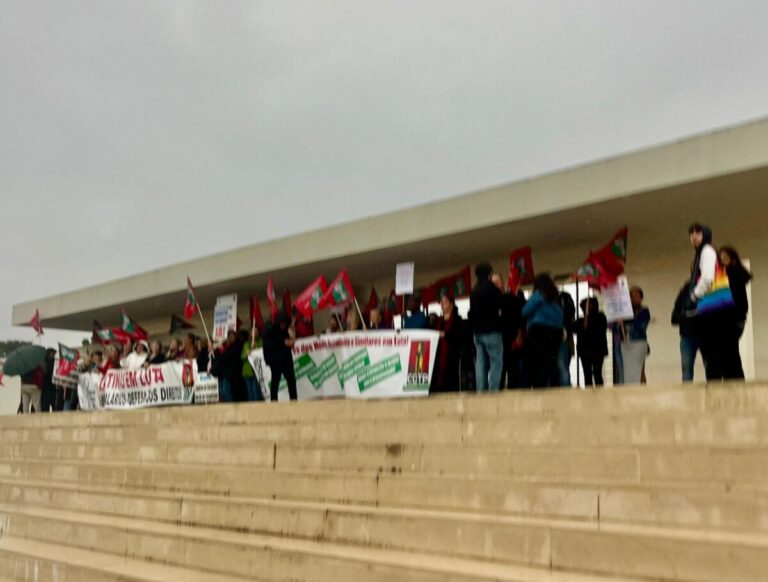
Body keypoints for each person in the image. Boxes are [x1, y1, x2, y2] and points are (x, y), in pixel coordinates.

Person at [688, 223, 730, 381]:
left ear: (705, 234)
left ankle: (716, 391)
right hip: (715, 307)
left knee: (711, 352)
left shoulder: (706, 251)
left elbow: (707, 278)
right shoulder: (703, 252)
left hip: (712, 308)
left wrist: (694, 296)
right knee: (714, 352)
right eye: (691, 234)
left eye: (697, 233)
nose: (693, 237)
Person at [522, 274, 564, 388]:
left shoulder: (538, 295)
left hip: (539, 331)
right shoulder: (556, 298)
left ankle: (540, 389)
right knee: (552, 362)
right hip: (556, 333)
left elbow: (524, 312)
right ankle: (555, 388)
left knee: (538, 364)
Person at [468, 262, 503, 392]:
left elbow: (472, 312)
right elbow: (500, 305)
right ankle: (493, 391)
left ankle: (481, 391)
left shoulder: (474, 291)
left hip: (477, 332)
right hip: (492, 331)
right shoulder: (492, 289)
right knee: (496, 361)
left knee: (480, 363)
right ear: (489, 274)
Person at [720, 245, 752, 379]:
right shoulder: (737, 274)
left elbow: (734, 299)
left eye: (725, 258)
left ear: (732, 260)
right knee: (730, 350)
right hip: (737, 319)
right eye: (721, 258)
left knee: (729, 350)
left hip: (732, 319)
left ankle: (735, 378)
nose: (722, 261)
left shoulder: (731, 275)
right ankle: (734, 378)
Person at [492, 274, 525, 389]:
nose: (496, 284)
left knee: (513, 373)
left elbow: (520, 317)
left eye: (498, 281)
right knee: (498, 374)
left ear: (503, 283)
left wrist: (519, 334)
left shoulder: (512, 298)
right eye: (493, 282)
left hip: (511, 340)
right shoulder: (489, 302)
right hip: (497, 342)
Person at [430, 294, 465, 393]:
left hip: (451, 355)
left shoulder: (457, 320)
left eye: (445, 302)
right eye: (441, 302)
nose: (442, 304)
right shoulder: (438, 320)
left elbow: (458, 336)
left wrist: (445, 335)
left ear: (451, 304)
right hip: (438, 355)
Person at [617, 285, 651, 385]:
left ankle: (643, 393)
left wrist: (627, 322)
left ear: (641, 297)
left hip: (638, 342)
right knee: (627, 371)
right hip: (625, 343)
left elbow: (641, 325)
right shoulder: (623, 312)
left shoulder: (644, 310)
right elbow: (616, 328)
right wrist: (620, 323)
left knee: (639, 370)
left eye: (636, 295)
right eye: (631, 295)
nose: (633, 298)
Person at [263, 311, 297, 401]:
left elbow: (291, 343)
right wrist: (285, 341)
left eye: (285, 323)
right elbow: (268, 345)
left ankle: (294, 402)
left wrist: (292, 334)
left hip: (286, 361)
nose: (283, 325)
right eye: (282, 323)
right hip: (276, 362)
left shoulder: (286, 331)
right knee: (275, 383)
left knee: (291, 382)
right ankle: (274, 402)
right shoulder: (270, 331)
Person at [574, 298, 608, 387]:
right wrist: (583, 324)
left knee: (597, 373)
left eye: (590, 304)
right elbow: (574, 329)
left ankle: (600, 394)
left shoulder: (601, 316)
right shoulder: (581, 320)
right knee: (587, 374)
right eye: (586, 305)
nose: (588, 307)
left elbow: (601, 328)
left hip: (597, 349)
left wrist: (588, 323)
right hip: (584, 350)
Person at [672, 282, 701, 382]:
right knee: (686, 369)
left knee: (711, 367)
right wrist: (688, 315)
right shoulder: (683, 296)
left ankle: (714, 394)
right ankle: (687, 394)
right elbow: (674, 318)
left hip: (705, 334)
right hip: (687, 335)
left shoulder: (708, 291)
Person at [558, 291, 576, 387]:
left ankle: (564, 386)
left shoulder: (561, 299)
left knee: (562, 367)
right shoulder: (566, 298)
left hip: (562, 338)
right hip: (567, 339)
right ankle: (565, 386)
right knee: (564, 367)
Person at [242, 328, 263, 402]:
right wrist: (246, 354)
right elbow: (242, 357)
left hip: (257, 371)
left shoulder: (261, 342)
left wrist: (255, 348)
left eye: (256, 332)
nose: (255, 333)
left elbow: (262, 353)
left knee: (256, 392)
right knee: (250, 393)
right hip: (247, 371)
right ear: (250, 334)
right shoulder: (246, 344)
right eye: (253, 332)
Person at [41, 348, 57, 413]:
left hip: (45, 386)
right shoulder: (54, 362)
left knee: (45, 406)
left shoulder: (43, 362)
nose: (54, 355)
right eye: (53, 354)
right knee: (54, 404)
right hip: (52, 386)